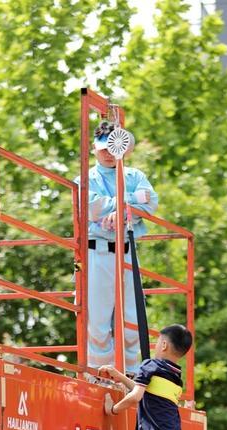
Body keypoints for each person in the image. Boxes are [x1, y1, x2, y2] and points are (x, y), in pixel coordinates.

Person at [82, 120, 158, 374]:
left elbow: (151, 202)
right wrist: (128, 204)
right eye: (103, 148)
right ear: (94, 148)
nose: (108, 154)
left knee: (132, 318)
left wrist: (120, 211)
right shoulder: (86, 177)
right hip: (98, 250)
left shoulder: (134, 175)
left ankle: (131, 373)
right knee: (98, 319)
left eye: (112, 148)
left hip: (127, 250)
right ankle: (100, 374)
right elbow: (91, 208)